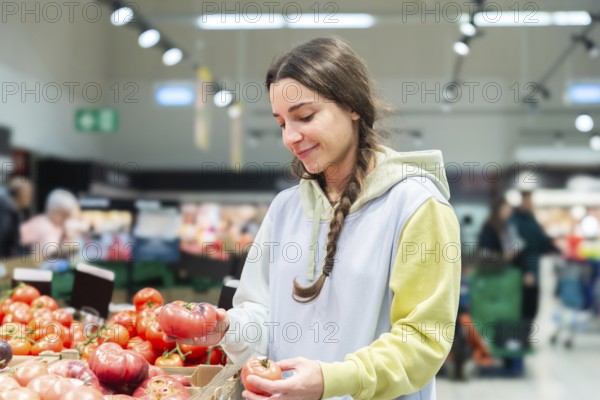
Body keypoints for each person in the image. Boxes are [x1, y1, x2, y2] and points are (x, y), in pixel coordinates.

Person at [172, 37, 461, 400]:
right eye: (281, 123)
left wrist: (331, 380)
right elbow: (263, 317)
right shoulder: (285, 208)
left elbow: (422, 341)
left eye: (305, 116)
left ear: (353, 107)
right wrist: (229, 328)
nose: (290, 137)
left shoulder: (417, 206)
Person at [510, 191, 559, 330]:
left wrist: (556, 249)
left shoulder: (531, 219)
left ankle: (525, 335)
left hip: (534, 268)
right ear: (522, 201)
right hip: (523, 271)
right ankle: (520, 337)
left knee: (532, 304)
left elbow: (540, 241)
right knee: (524, 305)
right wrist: (526, 271)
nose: (530, 204)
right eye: (528, 201)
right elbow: (516, 248)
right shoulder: (515, 221)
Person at [20, 188, 80, 261]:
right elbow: (48, 255)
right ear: (53, 211)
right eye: (63, 215)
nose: (65, 219)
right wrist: (65, 249)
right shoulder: (41, 224)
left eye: (67, 216)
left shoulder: (59, 226)